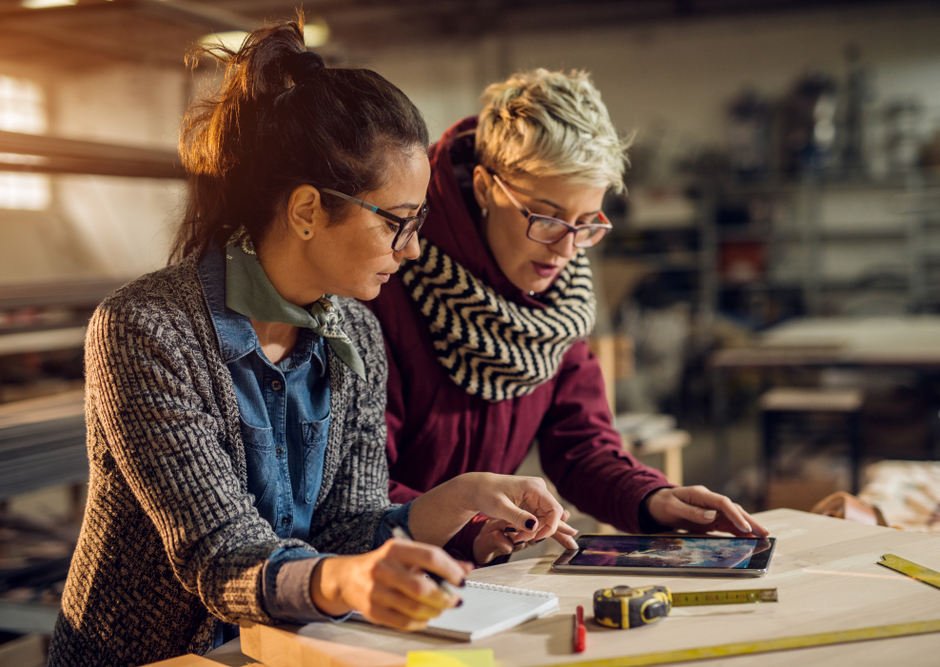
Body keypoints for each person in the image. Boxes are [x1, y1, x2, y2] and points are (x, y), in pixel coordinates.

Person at [48, 19, 568, 667]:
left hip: (283, 652)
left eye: (420, 222)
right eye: (397, 224)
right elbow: (222, 556)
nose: (411, 250)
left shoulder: (356, 334)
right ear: (305, 211)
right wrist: (345, 579)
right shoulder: (147, 330)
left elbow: (346, 526)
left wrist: (454, 502)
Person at [368, 68, 767, 566]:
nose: (565, 248)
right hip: (381, 570)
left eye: (586, 224)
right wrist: (467, 527)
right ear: (486, 186)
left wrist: (650, 500)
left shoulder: (561, 298)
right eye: (545, 217)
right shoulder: (385, 283)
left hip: (474, 575)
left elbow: (582, 445)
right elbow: (360, 490)